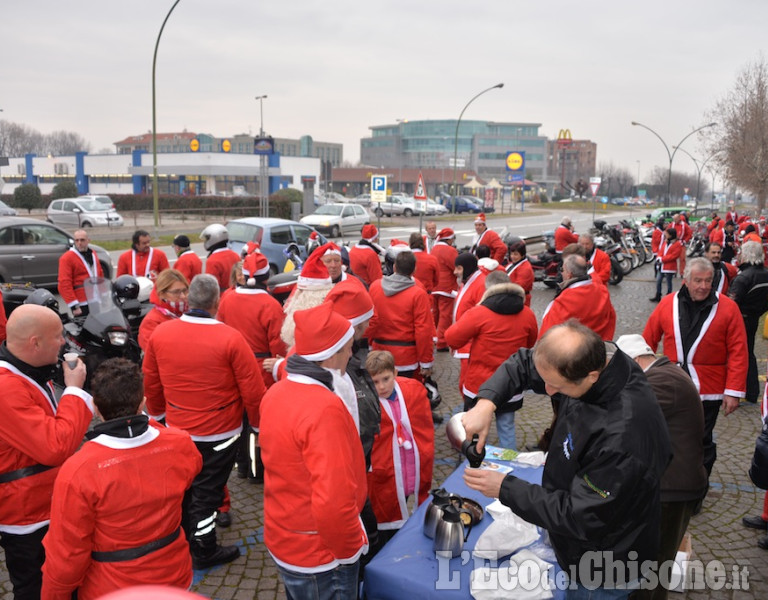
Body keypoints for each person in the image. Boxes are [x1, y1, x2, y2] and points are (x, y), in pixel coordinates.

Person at [462, 321, 672, 596]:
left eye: (555, 386)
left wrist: (505, 488)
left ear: (592, 377)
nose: (547, 391)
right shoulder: (594, 362)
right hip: (577, 538)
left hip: (603, 564)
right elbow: (526, 363)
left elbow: (580, 516)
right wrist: (486, 403)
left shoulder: (622, 439)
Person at [41, 359, 202, 600]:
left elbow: (67, 554)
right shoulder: (181, 443)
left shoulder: (79, 470)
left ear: (95, 408)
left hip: (112, 587)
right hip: (175, 576)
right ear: (143, 403)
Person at [143, 274, 266, 570]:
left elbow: (151, 381)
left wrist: (158, 416)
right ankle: (203, 547)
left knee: (186, 487)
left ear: (188, 300)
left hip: (177, 427)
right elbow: (252, 389)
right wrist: (260, 428)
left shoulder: (162, 334)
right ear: (216, 302)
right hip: (219, 430)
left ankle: (185, 537)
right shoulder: (230, 337)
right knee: (208, 492)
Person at [260, 302, 369, 598]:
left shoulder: (275, 392)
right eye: (348, 348)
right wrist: (350, 550)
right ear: (331, 354)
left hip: (285, 536)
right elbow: (333, 501)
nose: (351, 353)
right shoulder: (324, 408)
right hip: (320, 555)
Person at [0, 304, 93, 600]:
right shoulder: (6, 388)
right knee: (35, 588)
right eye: (57, 336)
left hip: (42, 503)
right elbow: (54, 447)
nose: (64, 342)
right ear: (34, 343)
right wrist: (75, 391)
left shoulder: (25, 370)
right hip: (28, 515)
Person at [615, 335, 707, 600]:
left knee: (655, 562)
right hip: (668, 483)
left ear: (634, 361)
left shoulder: (662, 381)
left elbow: (624, 416)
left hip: (672, 488)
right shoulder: (664, 374)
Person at [644, 257, 748, 479]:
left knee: (700, 439)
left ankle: (697, 485)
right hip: (671, 384)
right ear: (686, 280)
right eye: (698, 280)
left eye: (708, 281)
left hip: (709, 388)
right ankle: (670, 480)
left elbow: (739, 351)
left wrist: (733, 391)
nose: (703, 286)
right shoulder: (667, 303)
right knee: (667, 434)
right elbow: (647, 340)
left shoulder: (728, 308)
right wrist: (640, 375)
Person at [445, 271, 537, 449]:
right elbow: (530, 343)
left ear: (488, 290)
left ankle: (473, 463)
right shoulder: (527, 313)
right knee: (507, 427)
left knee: (473, 429)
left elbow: (451, 338)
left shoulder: (479, 313)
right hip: (512, 382)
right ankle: (509, 467)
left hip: (479, 383)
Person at [365, 350, 434, 543]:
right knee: (388, 513)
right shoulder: (367, 403)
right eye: (375, 382)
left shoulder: (413, 390)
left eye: (386, 379)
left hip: (409, 464)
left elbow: (423, 426)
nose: (381, 386)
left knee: (406, 497)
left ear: (395, 373)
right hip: (386, 472)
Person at [368, 250, 435, 380]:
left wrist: (371, 345)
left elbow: (371, 320)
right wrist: (426, 362)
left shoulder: (375, 287)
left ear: (394, 267)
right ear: (414, 270)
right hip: (406, 358)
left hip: (379, 351)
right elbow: (423, 330)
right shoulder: (418, 294)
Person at [540, 253, 616, 341]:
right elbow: (611, 318)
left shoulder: (564, 301)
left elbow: (547, 333)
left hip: (573, 350)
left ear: (569, 274)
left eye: (562, 269)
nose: (561, 272)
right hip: (598, 345)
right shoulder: (602, 290)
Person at [728, 241, 768, 404]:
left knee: (738, 355)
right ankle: (751, 391)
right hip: (753, 317)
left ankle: (741, 389)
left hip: (740, 319)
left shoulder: (743, 277)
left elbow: (731, 304)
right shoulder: (765, 273)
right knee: (748, 353)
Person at [137, 269, 189, 350]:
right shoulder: (151, 322)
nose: (183, 296)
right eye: (176, 292)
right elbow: (153, 353)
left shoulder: (191, 313)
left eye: (185, 291)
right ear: (161, 294)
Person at [58, 229, 104, 317]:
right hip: (81, 303)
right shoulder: (66, 258)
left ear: (88, 240)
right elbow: (64, 283)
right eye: (77, 240)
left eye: (82, 240)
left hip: (95, 299)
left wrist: (104, 295)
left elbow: (99, 274)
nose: (79, 243)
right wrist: (74, 305)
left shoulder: (93, 253)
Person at [431, 228, 459, 352]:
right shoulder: (449, 250)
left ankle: (433, 338)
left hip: (434, 286)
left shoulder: (434, 248)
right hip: (446, 287)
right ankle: (442, 342)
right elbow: (456, 266)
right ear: (449, 239)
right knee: (445, 315)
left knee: (435, 314)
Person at [201, 224, 241, 291]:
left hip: (221, 298)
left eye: (207, 238)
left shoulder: (212, 261)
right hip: (236, 294)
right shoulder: (236, 256)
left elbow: (211, 288)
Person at [650, 227, 682, 302]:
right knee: (658, 280)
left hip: (669, 267)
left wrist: (662, 259)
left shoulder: (677, 244)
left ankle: (668, 297)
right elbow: (661, 251)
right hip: (662, 265)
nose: (665, 235)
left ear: (670, 235)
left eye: (667, 234)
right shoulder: (666, 242)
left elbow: (674, 255)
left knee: (669, 282)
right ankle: (658, 295)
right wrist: (659, 257)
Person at [504, 236, 534, 307]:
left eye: (516, 254)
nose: (512, 256)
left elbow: (519, 286)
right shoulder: (513, 263)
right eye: (511, 254)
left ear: (523, 255)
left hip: (520, 299)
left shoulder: (525, 268)